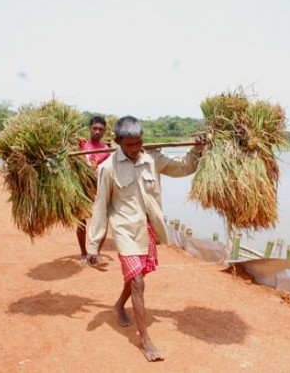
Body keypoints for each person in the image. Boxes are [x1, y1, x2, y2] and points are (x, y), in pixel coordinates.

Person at [86, 116, 205, 362]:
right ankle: (145, 340)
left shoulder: (153, 159)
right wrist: (93, 246)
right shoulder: (107, 168)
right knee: (138, 282)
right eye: (129, 145)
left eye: (139, 143)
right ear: (118, 141)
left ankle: (119, 304)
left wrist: (198, 148)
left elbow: (184, 167)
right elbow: (99, 208)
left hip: (147, 228)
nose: (135, 149)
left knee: (137, 275)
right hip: (124, 231)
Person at [76, 116, 112, 264]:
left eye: (101, 129)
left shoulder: (107, 149)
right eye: (95, 128)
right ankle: (83, 252)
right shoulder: (81, 145)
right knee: (81, 222)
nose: (97, 131)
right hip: (82, 187)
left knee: (101, 221)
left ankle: (95, 253)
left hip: (99, 189)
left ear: (104, 131)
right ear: (89, 128)